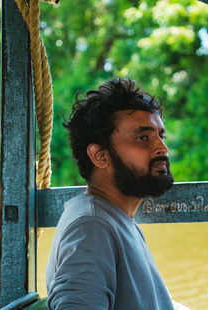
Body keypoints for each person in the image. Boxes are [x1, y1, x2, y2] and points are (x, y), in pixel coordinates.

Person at [46, 77, 183, 309]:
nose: (162, 148)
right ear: (100, 155)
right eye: (143, 138)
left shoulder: (114, 219)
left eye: (161, 135)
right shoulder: (91, 229)